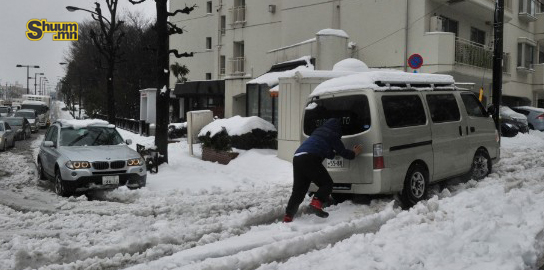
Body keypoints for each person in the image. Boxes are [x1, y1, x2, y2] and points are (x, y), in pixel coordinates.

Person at [284, 118, 363, 223]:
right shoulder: (333, 134)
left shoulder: (318, 133)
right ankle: (316, 203)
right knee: (327, 184)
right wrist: (354, 153)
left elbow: (328, 152)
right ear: (338, 129)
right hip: (310, 158)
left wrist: (334, 152)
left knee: (298, 191)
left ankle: (288, 216)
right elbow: (344, 153)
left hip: (298, 158)